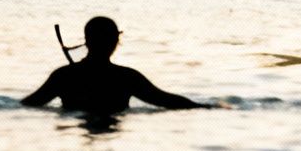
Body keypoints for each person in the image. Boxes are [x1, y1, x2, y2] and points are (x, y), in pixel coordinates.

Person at [21, 16, 210, 115]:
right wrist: (206, 107)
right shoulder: (126, 77)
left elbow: (29, 104)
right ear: (115, 41)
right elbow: (165, 100)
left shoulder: (64, 76)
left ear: (86, 41)